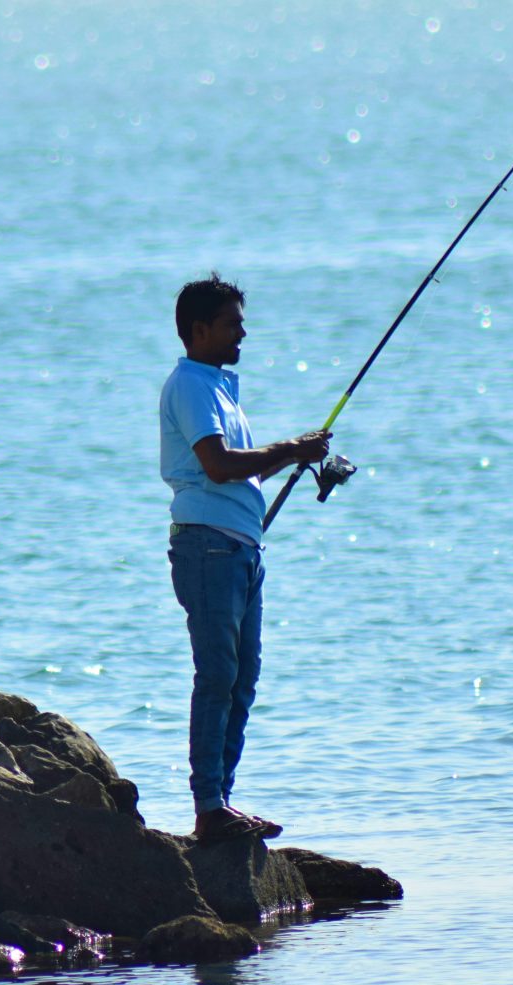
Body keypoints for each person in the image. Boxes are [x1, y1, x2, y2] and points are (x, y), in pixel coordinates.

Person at [160, 274, 329, 844]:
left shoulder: (220, 387)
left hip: (239, 546)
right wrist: (289, 450)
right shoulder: (190, 385)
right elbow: (217, 464)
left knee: (242, 677)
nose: (243, 332)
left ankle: (222, 800)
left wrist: (295, 454)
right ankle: (209, 808)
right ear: (200, 329)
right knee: (218, 676)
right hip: (207, 546)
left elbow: (243, 465)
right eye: (233, 323)